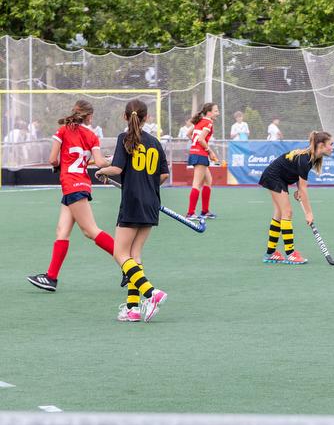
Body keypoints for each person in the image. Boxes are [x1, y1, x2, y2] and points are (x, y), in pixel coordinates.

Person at [26, 100, 117, 292]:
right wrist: (111, 161)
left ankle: (128, 263)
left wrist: (59, 164)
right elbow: (100, 162)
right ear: (89, 116)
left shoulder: (62, 131)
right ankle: (51, 278)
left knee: (90, 230)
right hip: (77, 185)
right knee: (62, 231)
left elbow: (52, 159)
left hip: (72, 185)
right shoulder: (92, 136)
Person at [95, 99, 169, 323]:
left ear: (125, 117)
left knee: (120, 254)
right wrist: (147, 184)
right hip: (151, 203)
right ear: (146, 118)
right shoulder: (155, 142)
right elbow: (163, 175)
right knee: (135, 256)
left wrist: (101, 172)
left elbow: (117, 168)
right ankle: (133, 309)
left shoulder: (124, 138)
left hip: (132, 203)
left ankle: (151, 293)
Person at [257, 131, 334, 265]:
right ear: (321, 145)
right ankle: (291, 254)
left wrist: (298, 190)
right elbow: (304, 189)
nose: (333, 147)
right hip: (274, 176)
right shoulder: (305, 159)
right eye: (331, 144)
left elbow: (300, 183)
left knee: (279, 213)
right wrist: (309, 213)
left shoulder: (311, 158)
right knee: (287, 212)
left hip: (278, 177)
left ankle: (270, 253)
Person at [185, 103, 220, 221]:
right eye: (216, 111)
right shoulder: (208, 122)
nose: (218, 113)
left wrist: (196, 145)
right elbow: (200, 139)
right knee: (197, 184)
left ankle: (205, 211)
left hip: (196, 153)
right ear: (209, 113)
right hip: (200, 155)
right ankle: (190, 213)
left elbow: (189, 134)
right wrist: (210, 151)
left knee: (208, 181)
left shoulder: (199, 121)